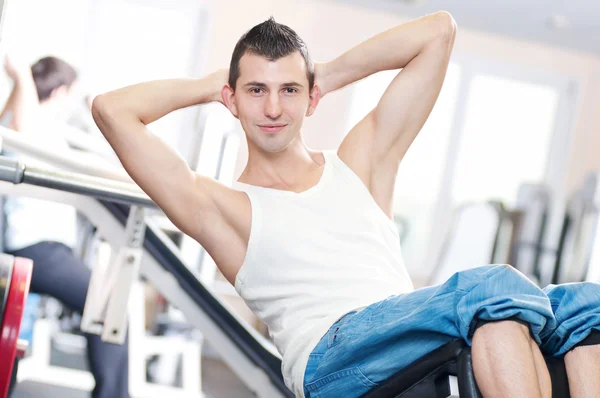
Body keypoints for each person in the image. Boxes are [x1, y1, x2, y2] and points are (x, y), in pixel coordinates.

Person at [92, 13, 600, 398]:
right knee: (493, 287)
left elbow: (438, 32)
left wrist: (325, 75)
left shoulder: (360, 163)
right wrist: (213, 86)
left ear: (311, 98)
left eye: (289, 90)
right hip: (331, 359)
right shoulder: (223, 208)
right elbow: (113, 111)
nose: (273, 108)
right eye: (256, 91)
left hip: (406, 334)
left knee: (584, 304)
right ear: (234, 99)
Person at [0, 55, 129, 398]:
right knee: (107, 306)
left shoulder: (35, 122)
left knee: (105, 306)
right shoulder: (31, 124)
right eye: (70, 93)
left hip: (43, 249)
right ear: (58, 91)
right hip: (37, 250)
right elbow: (20, 131)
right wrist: (22, 77)